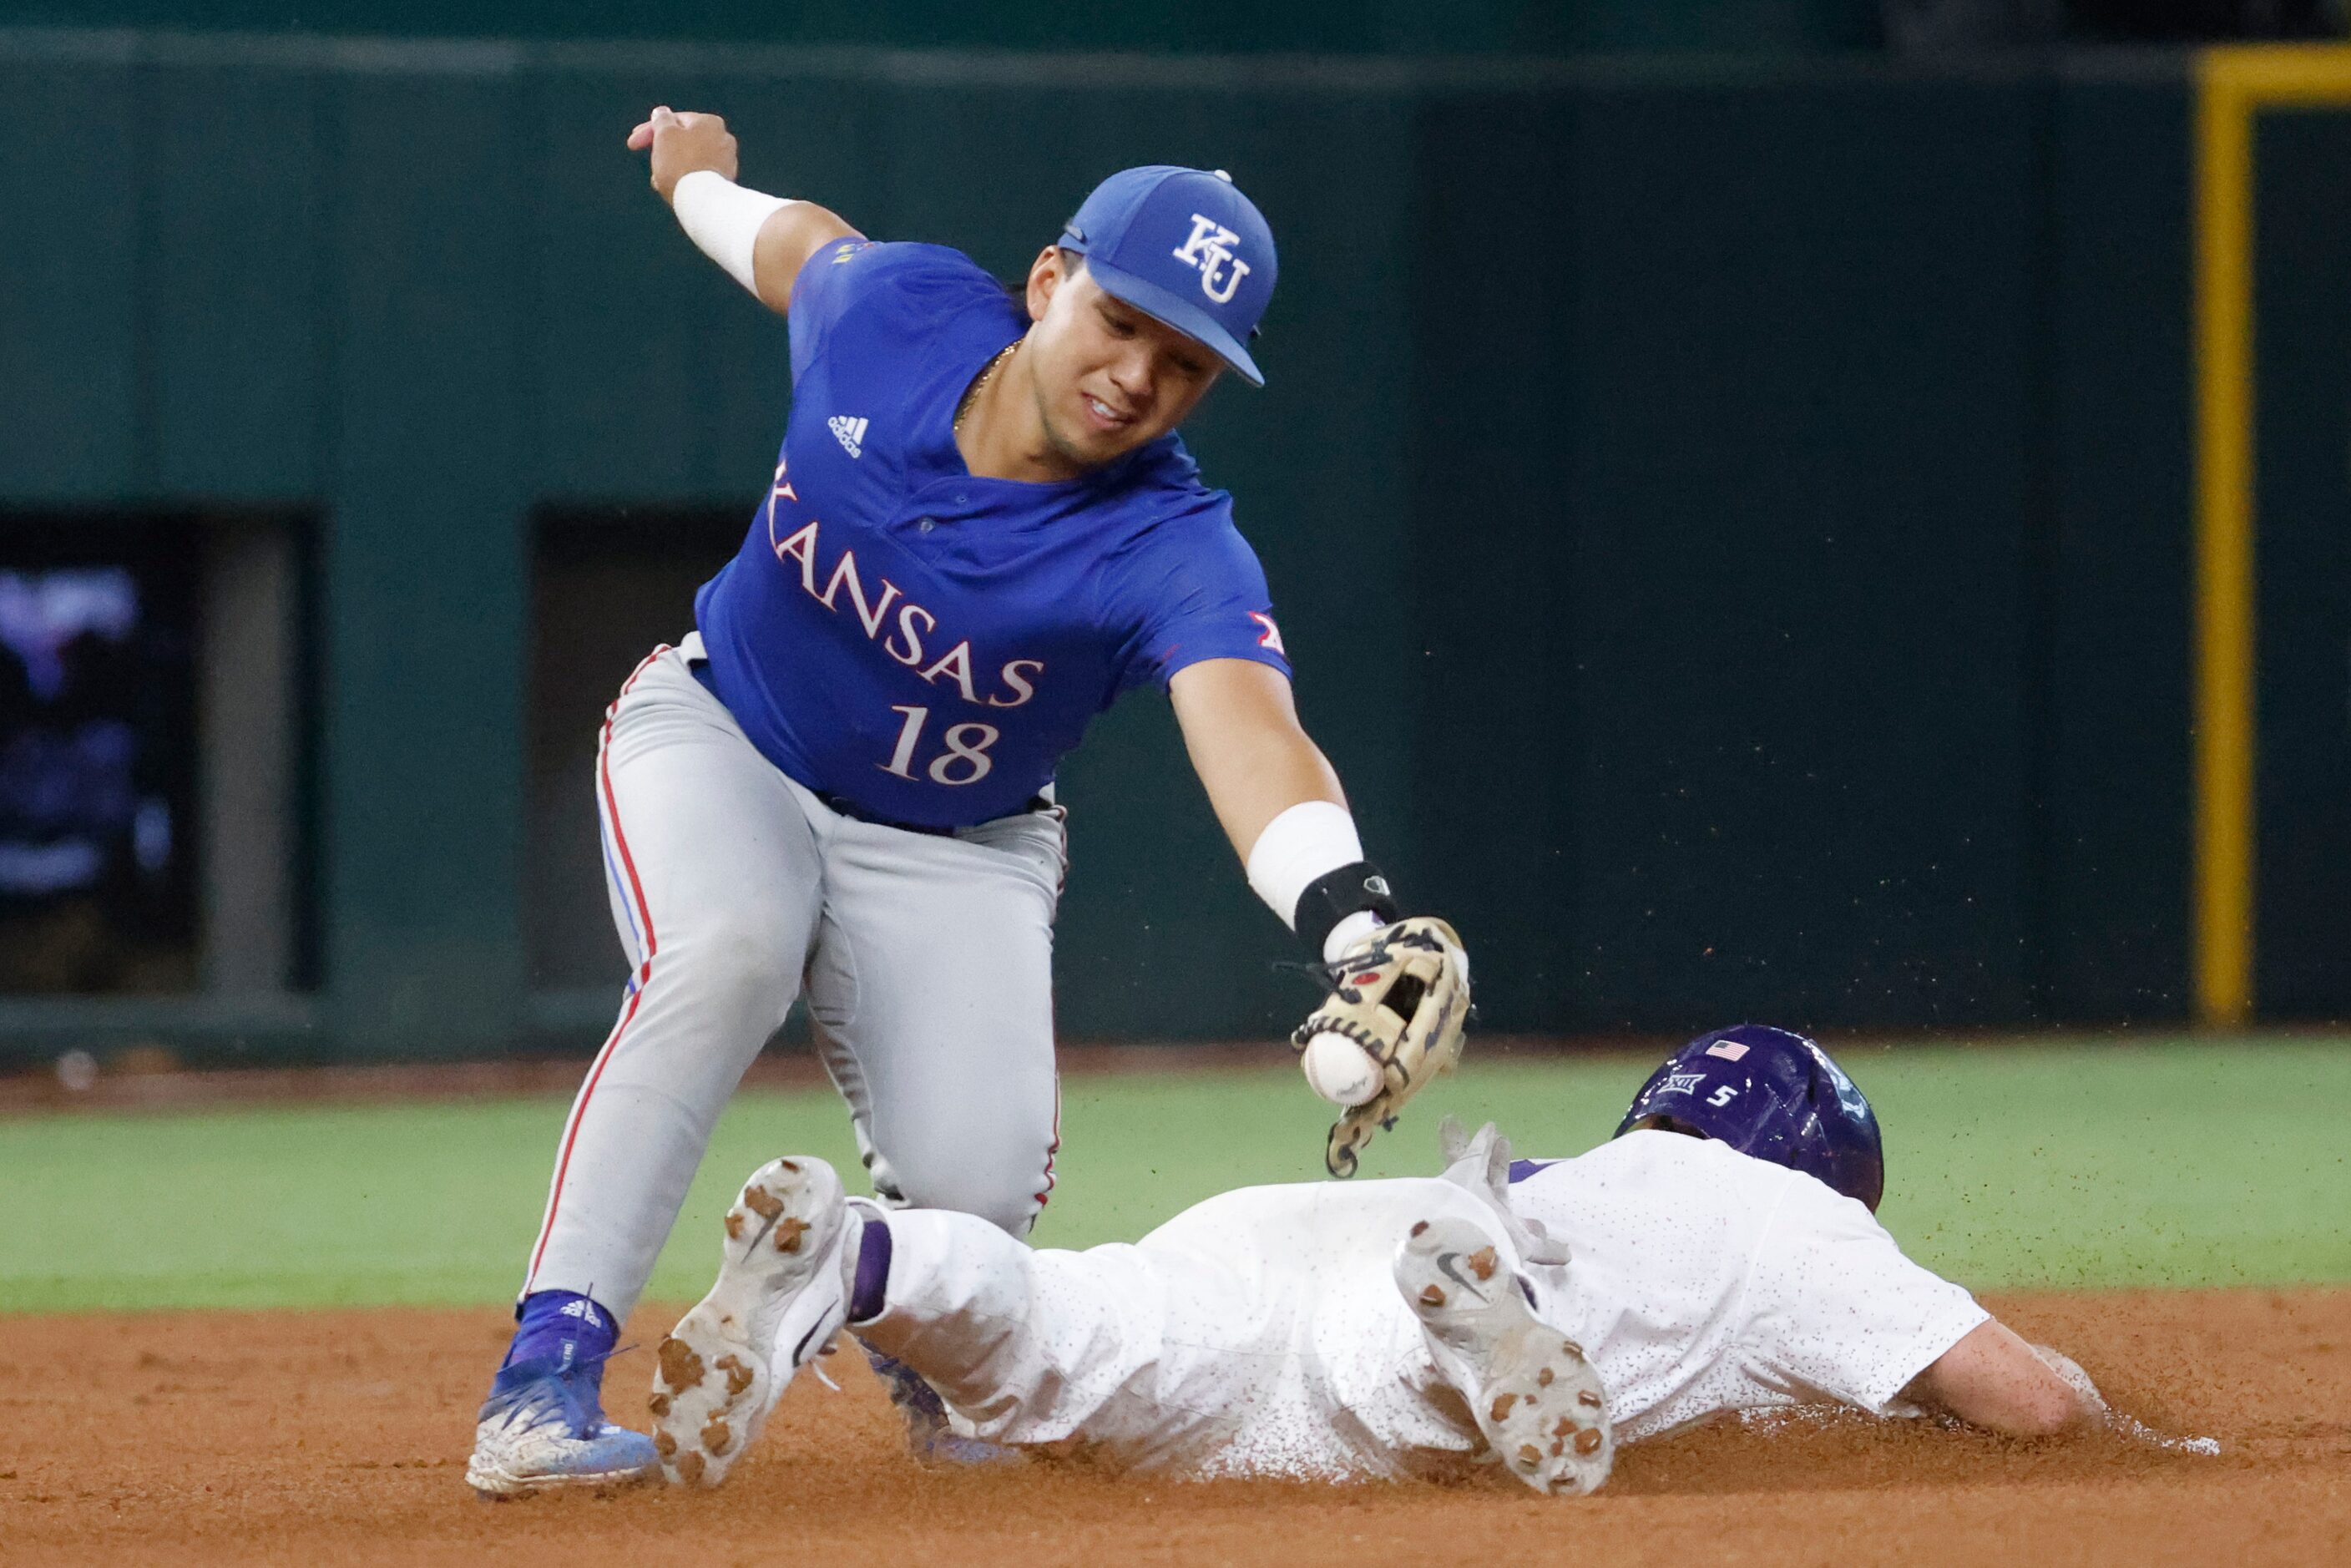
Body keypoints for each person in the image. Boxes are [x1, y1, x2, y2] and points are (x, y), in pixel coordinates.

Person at [465, 105, 1471, 1498]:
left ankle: (895, 1303)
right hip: (724, 737)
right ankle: (542, 1384)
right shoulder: (891, 312)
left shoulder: (1172, 540)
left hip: (954, 843)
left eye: (1185, 366)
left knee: (978, 1184)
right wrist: (698, 177)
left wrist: (1354, 917)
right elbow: (790, 243)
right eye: (1121, 322)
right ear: (1050, 280)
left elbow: (1251, 728)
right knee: (729, 949)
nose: (1137, 379)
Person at [642, 1025, 2139, 1493]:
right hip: (1431, 1292)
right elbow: (2033, 1406)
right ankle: (1474, 1338)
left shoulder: (1609, 1169)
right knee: (1409, 1385)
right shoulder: (1799, 1224)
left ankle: (862, 1259)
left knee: (1071, 1327)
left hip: (1294, 1225)